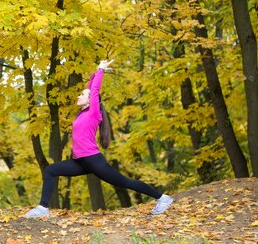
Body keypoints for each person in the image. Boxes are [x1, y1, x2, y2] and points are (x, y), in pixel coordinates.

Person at [24, 59, 173, 218]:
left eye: (82, 94)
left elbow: (94, 90)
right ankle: (42, 208)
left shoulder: (94, 113)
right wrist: (96, 71)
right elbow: (90, 87)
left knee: (124, 182)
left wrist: (101, 71)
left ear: (91, 101)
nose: (78, 95)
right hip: (80, 161)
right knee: (51, 170)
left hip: (93, 160)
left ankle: (162, 198)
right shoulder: (82, 113)